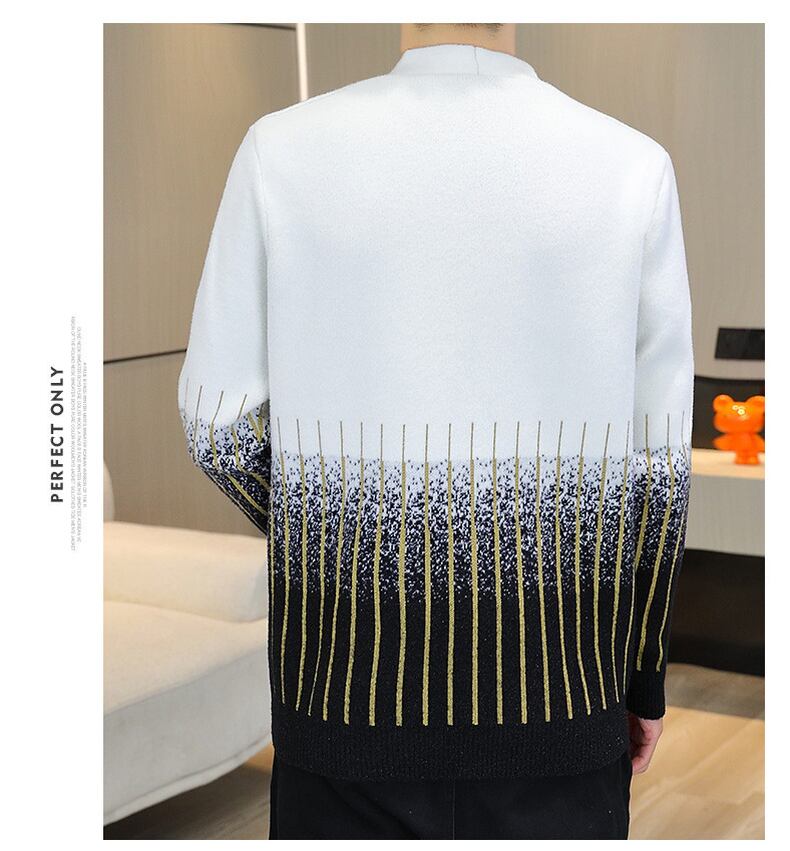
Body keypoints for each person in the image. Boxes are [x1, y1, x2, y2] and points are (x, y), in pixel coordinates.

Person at [177, 22, 694, 840]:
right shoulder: (634, 166)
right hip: (561, 704)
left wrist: (348, 538)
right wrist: (643, 677)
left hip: (344, 702)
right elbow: (659, 476)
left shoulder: (279, 150)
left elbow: (217, 427)